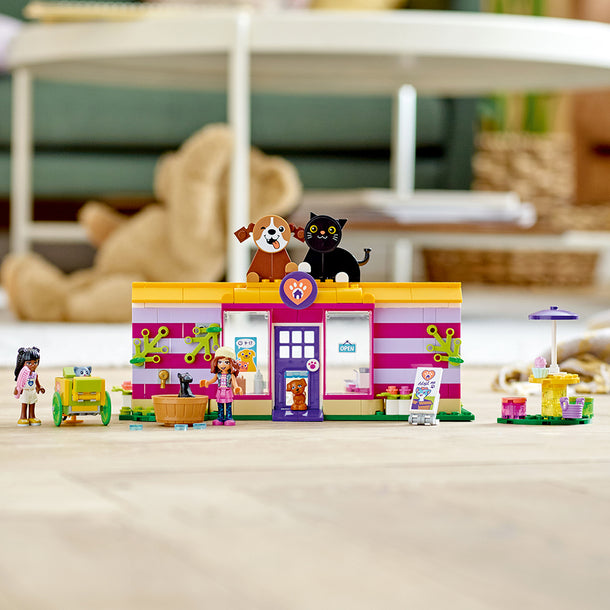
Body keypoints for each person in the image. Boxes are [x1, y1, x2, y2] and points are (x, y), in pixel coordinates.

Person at [201, 347, 241, 426]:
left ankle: (229, 418)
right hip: (219, 391)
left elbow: (234, 383)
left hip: (227, 391)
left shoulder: (231, 375)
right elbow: (212, 380)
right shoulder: (218, 374)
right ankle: (220, 418)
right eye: (220, 362)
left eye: (226, 362)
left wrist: (236, 388)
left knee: (228, 405)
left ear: (232, 363)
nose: (223, 365)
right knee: (220, 405)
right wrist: (207, 382)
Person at [14, 346, 45, 427]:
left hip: (32, 391)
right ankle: (23, 417)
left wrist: (40, 387)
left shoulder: (35, 374)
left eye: (35, 362)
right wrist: (17, 389)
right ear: (23, 363)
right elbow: (19, 382)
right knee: (24, 404)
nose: (32, 365)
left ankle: (32, 416)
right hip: (25, 391)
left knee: (32, 404)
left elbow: (37, 382)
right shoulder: (23, 374)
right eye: (29, 363)